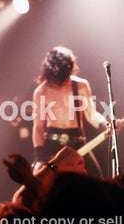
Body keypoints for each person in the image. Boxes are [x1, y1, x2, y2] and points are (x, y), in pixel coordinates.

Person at [32, 46, 107, 177]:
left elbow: (92, 115)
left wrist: (106, 124)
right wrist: (39, 158)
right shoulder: (41, 92)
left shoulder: (81, 86)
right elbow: (38, 127)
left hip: (77, 144)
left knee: (96, 180)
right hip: (52, 145)